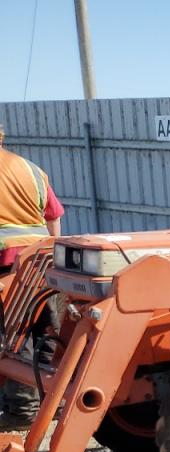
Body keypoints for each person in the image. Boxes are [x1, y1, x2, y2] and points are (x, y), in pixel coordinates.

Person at [0, 121, 65, 425]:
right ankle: (55, 400)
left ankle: (23, 411)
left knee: (15, 336)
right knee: (45, 330)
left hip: (5, 264)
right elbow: (54, 219)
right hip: (40, 260)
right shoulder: (31, 169)